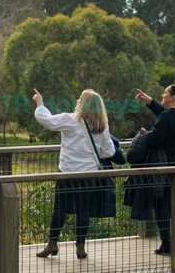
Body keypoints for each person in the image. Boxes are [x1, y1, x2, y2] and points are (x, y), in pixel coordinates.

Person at [33, 88, 116, 259]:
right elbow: (109, 152)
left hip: (67, 173)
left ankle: (52, 243)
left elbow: (46, 120)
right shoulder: (102, 125)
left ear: (83, 103)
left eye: (80, 98)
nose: (77, 99)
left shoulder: (69, 120)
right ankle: (80, 246)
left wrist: (40, 103)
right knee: (83, 210)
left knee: (59, 208)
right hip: (88, 175)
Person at [134, 84, 175, 255]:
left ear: (173, 97)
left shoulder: (167, 116)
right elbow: (165, 115)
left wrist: (146, 134)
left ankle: (166, 242)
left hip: (167, 167)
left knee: (161, 205)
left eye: (165, 93)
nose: (162, 94)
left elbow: (155, 141)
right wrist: (149, 101)